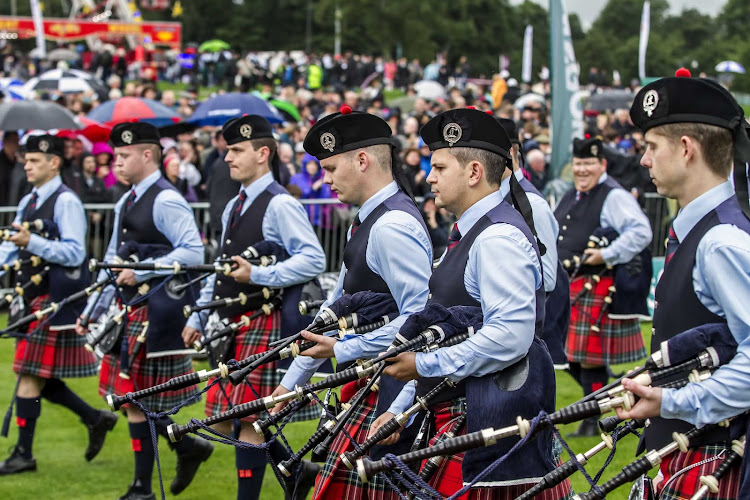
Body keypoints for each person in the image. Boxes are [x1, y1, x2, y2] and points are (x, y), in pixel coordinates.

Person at [383, 108, 570, 498]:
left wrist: (422, 364)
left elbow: (509, 337)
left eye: (439, 167)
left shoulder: (496, 238)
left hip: (486, 426)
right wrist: (403, 407)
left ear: (473, 172)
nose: (429, 177)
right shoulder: (473, 232)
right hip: (459, 416)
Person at [271, 106, 433, 500]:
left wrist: (345, 348)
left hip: (391, 394)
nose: (325, 180)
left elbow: (421, 321)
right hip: (367, 386)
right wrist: (292, 384)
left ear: (362, 161)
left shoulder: (392, 226)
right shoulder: (369, 219)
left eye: (330, 169)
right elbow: (337, 305)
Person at [616, 71, 750, 499]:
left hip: (710, 459)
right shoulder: (701, 231)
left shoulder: (720, 242)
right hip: (681, 452)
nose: (644, 160)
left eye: (652, 147)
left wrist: (672, 403)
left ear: (687, 149)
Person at [181, 115, 327, 500]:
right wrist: (201, 314)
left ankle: (275, 483)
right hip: (235, 321)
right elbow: (225, 267)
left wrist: (261, 276)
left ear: (263, 153)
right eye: (228, 150)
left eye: (236, 150)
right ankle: (296, 470)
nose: (227, 158)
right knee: (231, 417)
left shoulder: (280, 203)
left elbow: (313, 259)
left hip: (267, 319)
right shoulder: (234, 205)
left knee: (249, 421)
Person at [75, 122, 213, 500]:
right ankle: (186, 447)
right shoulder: (126, 200)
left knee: (136, 402)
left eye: (122, 156)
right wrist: (93, 306)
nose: (115, 164)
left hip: (156, 315)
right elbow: (113, 260)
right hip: (130, 310)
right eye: (114, 157)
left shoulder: (167, 199)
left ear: (147, 154)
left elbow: (192, 252)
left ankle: (142, 487)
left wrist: (144, 270)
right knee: (134, 400)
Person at [0, 135, 117, 474]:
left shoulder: (67, 202)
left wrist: (33, 241)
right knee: (39, 378)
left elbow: (74, 253)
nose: (26, 165)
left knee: (28, 375)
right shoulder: (28, 201)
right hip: (31, 298)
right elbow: (11, 247)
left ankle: (24, 453)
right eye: (25, 160)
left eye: (34, 160)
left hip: (54, 300)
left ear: (54, 162)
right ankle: (95, 418)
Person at [553, 137, 652, 437]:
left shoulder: (614, 196)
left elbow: (641, 231)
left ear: (602, 165)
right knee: (569, 354)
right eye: (579, 164)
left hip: (596, 284)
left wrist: (607, 254)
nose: (582, 170)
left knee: (587, 355)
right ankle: (606, 396)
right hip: (571, 284)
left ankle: (592, 419)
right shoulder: (573, 193)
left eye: (589, 164)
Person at [498, 117, 569, 369]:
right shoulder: (495, 198)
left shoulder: (532, 204)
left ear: (509, 153)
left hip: (523, 334)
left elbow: (548, 277)